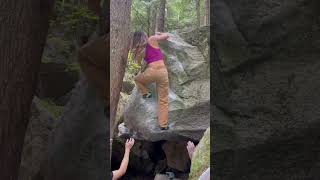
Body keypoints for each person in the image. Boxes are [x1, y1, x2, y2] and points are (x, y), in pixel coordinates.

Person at [130, 31, 170, 130]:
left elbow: (142, 66)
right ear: (144, 36)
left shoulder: (140, 50)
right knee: (163, 100)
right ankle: (163, 125)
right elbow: (167, 36)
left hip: (151, 72)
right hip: (163, 73)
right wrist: (160, 33)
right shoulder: (152, 39)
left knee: (137, 79)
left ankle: (146, 93)